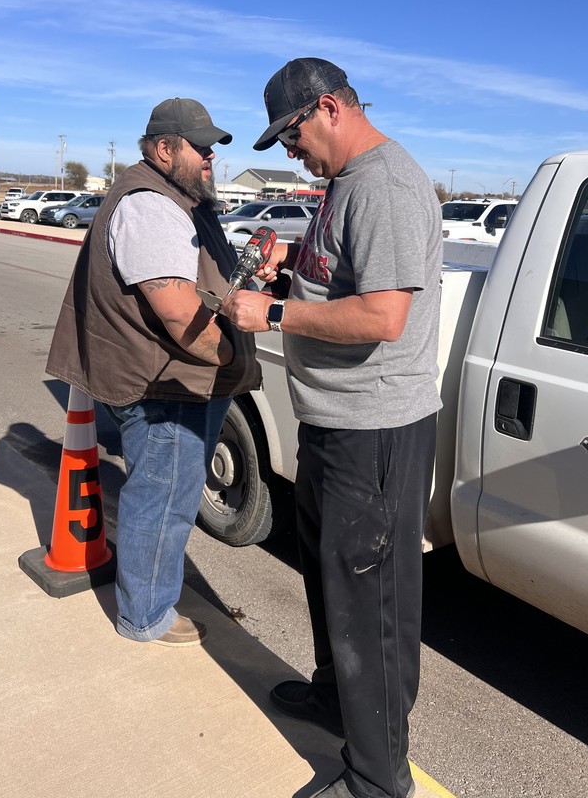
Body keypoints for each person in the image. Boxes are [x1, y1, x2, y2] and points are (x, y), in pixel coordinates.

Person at [223, 59, 441, 798]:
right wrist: (288, 279)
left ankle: (378, 779)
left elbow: (383, 316)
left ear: (328, 108)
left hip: (372, 430)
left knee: (368, 599)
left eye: (291, 135)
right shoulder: (344, 184)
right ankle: (333, 694)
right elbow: (341, 285)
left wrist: (274, 313)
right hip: (332, 420)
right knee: (330, 580)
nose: (290, 152)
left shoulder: (384, 185)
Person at [46, 98, 260, 647]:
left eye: (214, 148)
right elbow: (178, 312)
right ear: (164, 149)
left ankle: (146, 600)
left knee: (166, 495)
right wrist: (232, 357)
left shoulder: (179, 199)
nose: (211, 158)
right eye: (202, 147)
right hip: (163, 385)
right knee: (163, 500)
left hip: (175, 380)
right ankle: (145, 615)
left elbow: (199, 282)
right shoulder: (151, 206)